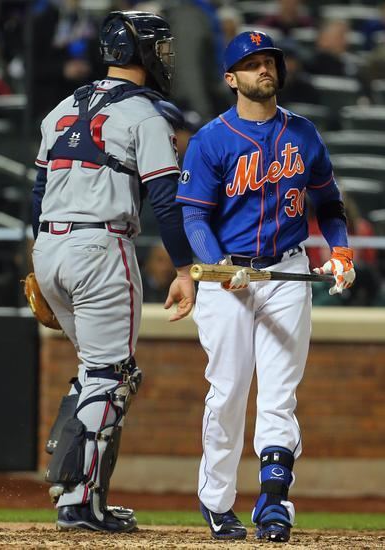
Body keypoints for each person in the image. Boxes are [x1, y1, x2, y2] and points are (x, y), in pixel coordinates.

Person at [176, 31, 356, 542]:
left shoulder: (303, 133)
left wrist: (339, 250)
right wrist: (216, 265)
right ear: (231, 78)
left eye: (269, 61)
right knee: (229, 391)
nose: (264, 70)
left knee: (279, 394)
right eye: (251, 63)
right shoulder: (213, 138)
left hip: (287, 271)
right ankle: (216, 501)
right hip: (225, 276)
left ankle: (274, 503)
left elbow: (329, 205)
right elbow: (194, 218)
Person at [31, 10, 194, 533]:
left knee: (96, 372)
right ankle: (81, 504)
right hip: (101, 246)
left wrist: (43, 260)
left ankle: (74, 488)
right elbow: (166, 202)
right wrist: (186, 267)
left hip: (49, 246)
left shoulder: (59, 109)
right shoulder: (147, 116)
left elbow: (37, 196)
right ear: (142, 53)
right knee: (111, 374)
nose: (165, 57)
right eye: (159, 48)